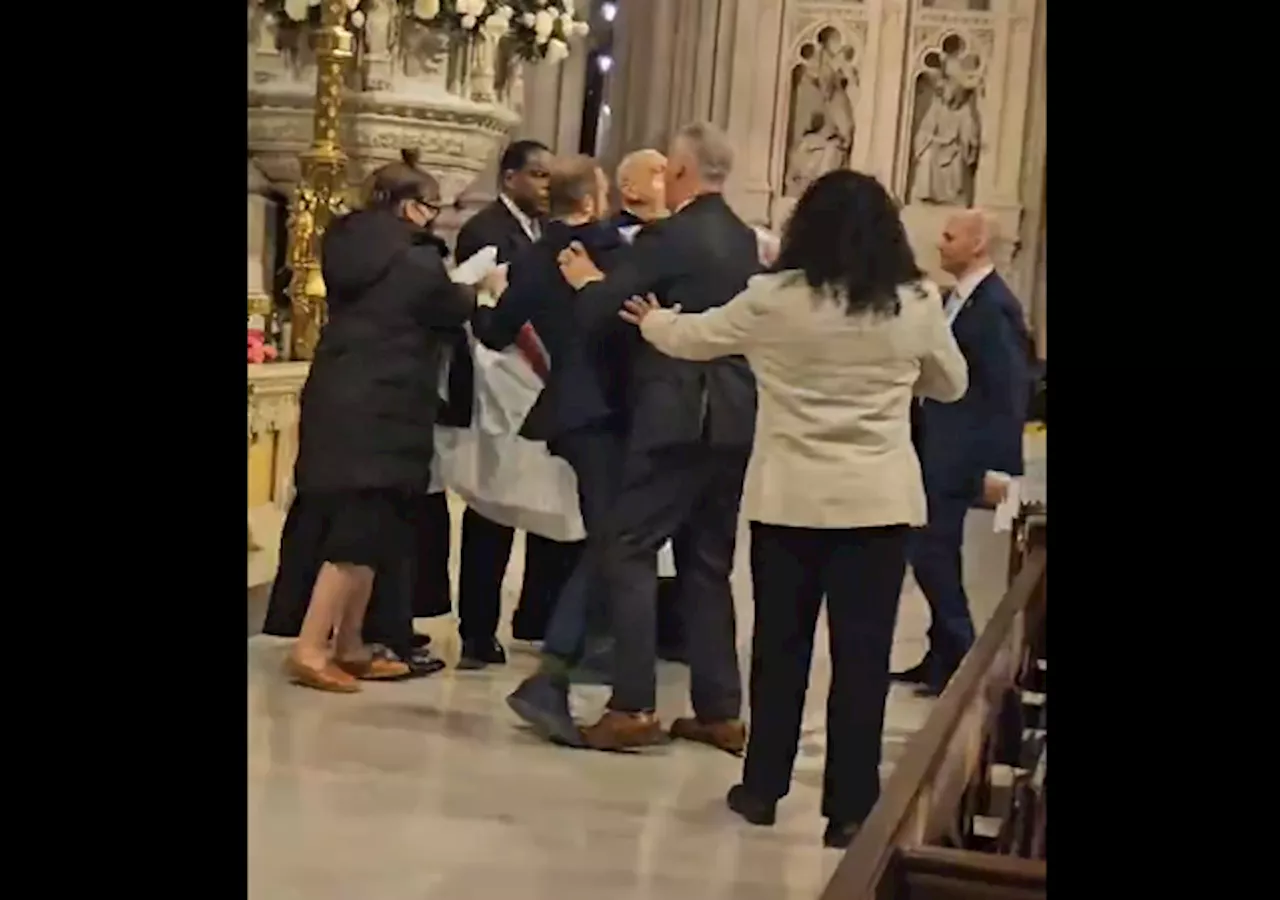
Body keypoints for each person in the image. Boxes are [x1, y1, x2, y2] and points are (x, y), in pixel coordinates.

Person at [618, 169, 968, 848]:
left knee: (780, 650)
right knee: (862, 660)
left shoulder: (774, 299)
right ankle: (850, 807)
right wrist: (902, 374)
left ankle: (762, 788)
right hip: (876, 503)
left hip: (791, 500)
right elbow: (950, 383)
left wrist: (652, 319)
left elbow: (695, 338)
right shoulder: (914, 300)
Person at [556, 121, 759, 753]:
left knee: (629, 546)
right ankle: (720, 710)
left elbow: (605, 308)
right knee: (707, 563)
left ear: (681, 174)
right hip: (732, 414)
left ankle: (633, 705)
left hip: (676, 412)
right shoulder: (743, 238)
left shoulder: (670, 236)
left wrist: (588, 280)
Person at [273, 154, 481, 692]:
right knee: (357, 532)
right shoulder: (413, 258)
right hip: (380, 408)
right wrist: (480, 287)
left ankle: (350, 643)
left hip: (347, 396)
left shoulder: (350, 245)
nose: (433, 219)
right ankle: (311, 648)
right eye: (431, 208)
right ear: (409, 206)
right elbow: (447, 306)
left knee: (375, 526)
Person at [474, 156, 634, 744]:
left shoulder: (537, 257)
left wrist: (487, 297)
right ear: (593, 201)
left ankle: (581, 655)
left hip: (570, 410)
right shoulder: (609, 249)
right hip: (615, 410)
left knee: (609, 537)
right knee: (615, 538)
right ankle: (559, 669)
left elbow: (494, 333)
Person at [441, 139, 582, 668]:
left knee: (543, 496)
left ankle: (535, 615)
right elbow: (487, 302)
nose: (546, 186)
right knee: (492, 507)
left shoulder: (548, 231)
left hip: (541, 379)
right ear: (509, 179)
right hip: (500, 380)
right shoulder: (484, 230)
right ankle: (477, 629)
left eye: (551, 177)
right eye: (538, 176)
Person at [894, 209, 1032, 696]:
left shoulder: (994, 307)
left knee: (930, 551)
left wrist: (1000, 467)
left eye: (950, 237)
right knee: (936, 551)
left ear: (977, 245)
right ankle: (941, 657)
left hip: (962, 452)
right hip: (938, 446)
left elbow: (1010, 390)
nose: (939, 244)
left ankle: (965, 658)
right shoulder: (960, 299)